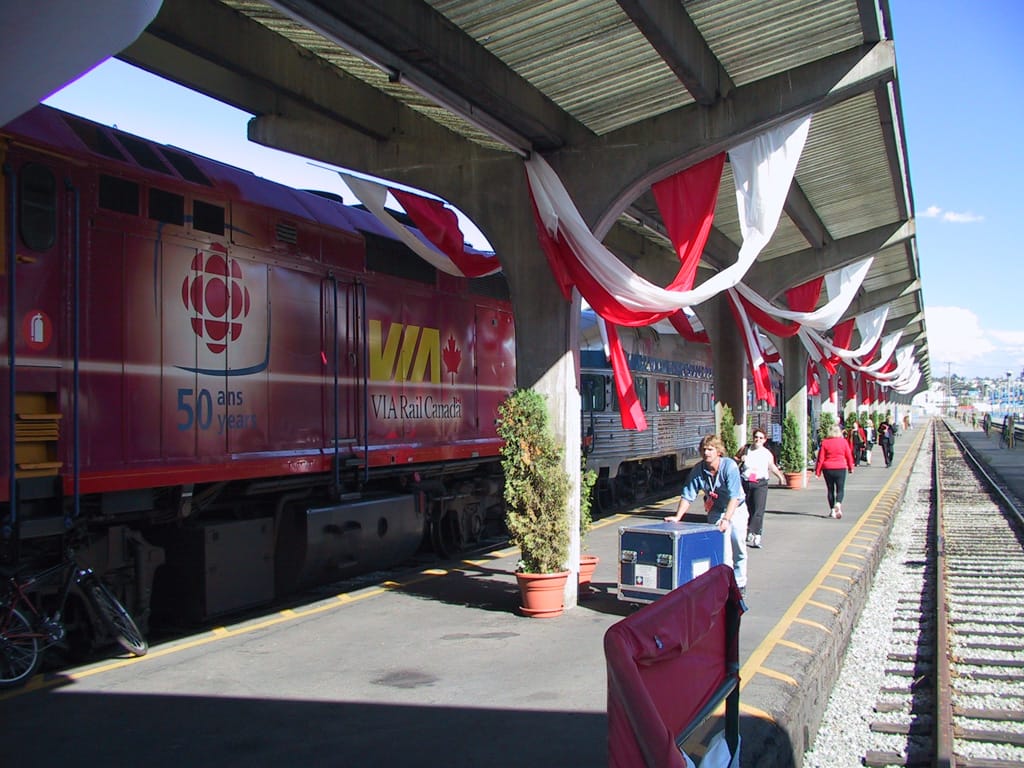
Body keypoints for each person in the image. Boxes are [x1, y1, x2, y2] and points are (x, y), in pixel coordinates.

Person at [664, 434, 748, 596]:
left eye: (710, 449)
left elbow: (734, 497)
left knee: (737, 543)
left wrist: (726, 519)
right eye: (704, 450)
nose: (707, 453)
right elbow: (688, 494)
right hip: (716, 509)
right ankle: (723, 583)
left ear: (718, 451)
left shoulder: (729, 467)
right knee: (720, 548)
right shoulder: (699, 469)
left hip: (735, 509)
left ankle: (740, 582)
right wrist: (678, 516)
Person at [737, 428, 785, 549]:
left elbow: (772, 466)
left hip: (760, 483)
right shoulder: (746, 449)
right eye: (756, 437)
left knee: (759, 509)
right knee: (748, 509)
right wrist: (740, 459)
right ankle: (750, 529)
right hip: (746, 482)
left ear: (764, 440)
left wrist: (780, 477)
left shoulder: (766, 453)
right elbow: (735, 459)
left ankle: (756, 534)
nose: (758, 439)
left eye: (761, 438)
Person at [814, 424, 854, 518]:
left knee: (830, 489)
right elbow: (848, 455)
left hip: (827, 468)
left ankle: (832, 510)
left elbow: (821, 458)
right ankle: (838, 503)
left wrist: (818, 471)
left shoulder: (825, 442)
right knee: (840, 489)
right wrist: (850, 467)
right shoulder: (843, 442)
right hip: (840, 467)